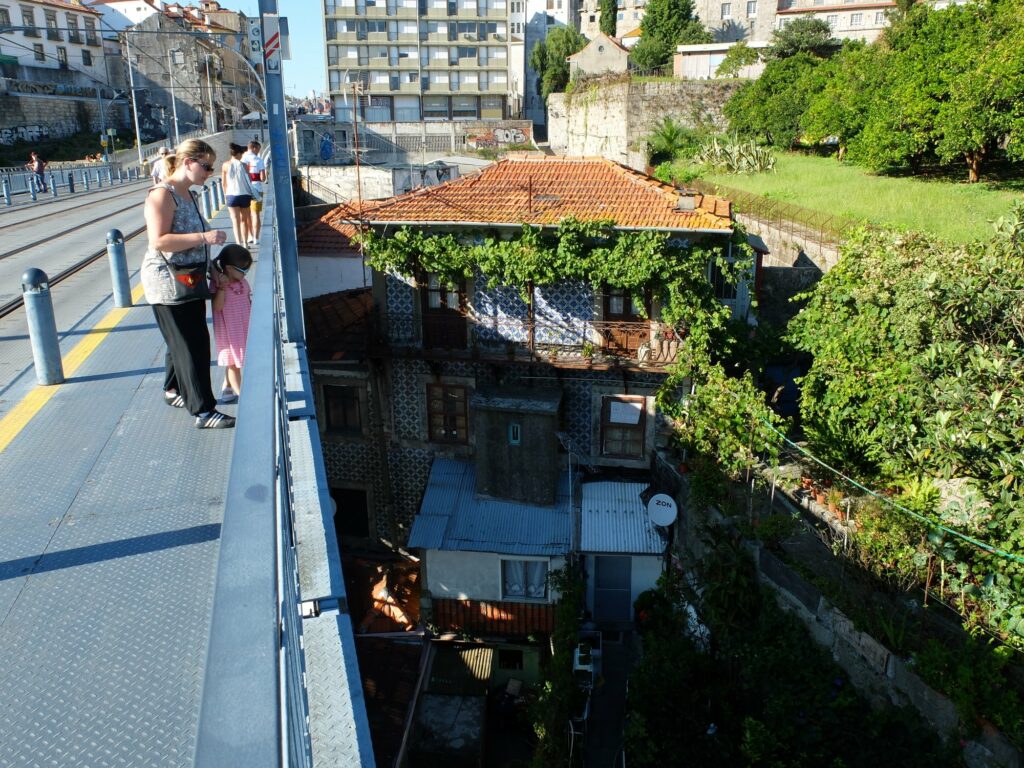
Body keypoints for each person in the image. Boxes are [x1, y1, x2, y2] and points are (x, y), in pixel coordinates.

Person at [141, 138, 234, 430]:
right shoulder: (162, 195)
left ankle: (173, 389)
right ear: (187, 162)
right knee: (192, 344)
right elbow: (159, 241)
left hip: (188, 276)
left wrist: (212, 271)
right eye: (206, 166)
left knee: (179, 340)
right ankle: (204, 411)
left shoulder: (188, 194)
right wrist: (205, 238)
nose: (210, 172)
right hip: (167, 282)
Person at [210, 244, 253, 402]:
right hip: (229, 332)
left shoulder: (244, 283)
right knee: (234, 364)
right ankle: (243, 396)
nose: (245, 273)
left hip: (244, 327)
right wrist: (221, 288)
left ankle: (228, 385)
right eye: (243, 270)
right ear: (228, 268)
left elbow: (248, 301)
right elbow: (217, 306)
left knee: (237, 361)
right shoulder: (219, 285)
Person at [221, 142, 254, 245]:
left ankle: (238, 243)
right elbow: (249, 181)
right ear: (239, 154)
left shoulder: (225, 165)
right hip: (244, 195)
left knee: (235, 222)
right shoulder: (244, 165)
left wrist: (225, 196)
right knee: (244, 220)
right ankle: (245, 244)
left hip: (231, 195)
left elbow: (223, 183)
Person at [241, 140, 266, 245]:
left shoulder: (242, 159)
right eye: (258, 149)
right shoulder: (259, 160)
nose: (259, 151)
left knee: (246, 215)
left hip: (244, 189)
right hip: (256, 188)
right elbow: (263, 178)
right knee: (255, 214)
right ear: (254, 148)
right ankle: (256, 238)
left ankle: (249, 236)